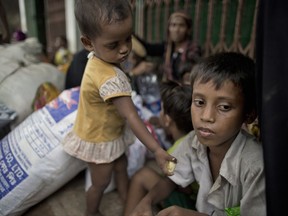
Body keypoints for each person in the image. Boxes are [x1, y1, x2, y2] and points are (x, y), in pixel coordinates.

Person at [61, 1, 175, 216]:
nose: (124, 49)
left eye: (128, 38)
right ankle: (91, 212)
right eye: (114, 45)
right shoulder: (110, 79)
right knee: (100, 183)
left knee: (121, 164)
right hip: (99, 138)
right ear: (88, 43)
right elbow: (132, 116)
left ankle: (126, 196)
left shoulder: (99, 58)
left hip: (107, 130)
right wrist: (157, 150)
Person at [130, 52, 266, 216]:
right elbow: (172, 180)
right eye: (200, 102)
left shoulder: (256, 167)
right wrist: (147, 201)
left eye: (224, 107)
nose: (206, 116)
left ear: (249, 114)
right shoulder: (193, 141)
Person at [124, 80, 194, 216]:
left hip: (191, 207)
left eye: (161, 111)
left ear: (167, 120)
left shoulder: (174, 153)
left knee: (142, 175)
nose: (159, 114)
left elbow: (183, 187)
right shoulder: (191, 139)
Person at [135, 10, 202, 82]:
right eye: (173, 25)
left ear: (188, 30)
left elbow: (188, 69)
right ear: (169, 28)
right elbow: (148, 49)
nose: (177, 30)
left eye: (181, 25)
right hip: (169, 90)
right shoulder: (168, 47)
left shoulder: (193, 49)